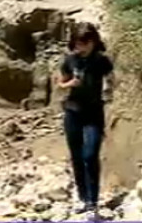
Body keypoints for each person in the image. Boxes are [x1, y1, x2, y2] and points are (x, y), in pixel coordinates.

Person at [57, 22, 115, 219]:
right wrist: (70, 84)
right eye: (77, 43)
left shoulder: (102, 61)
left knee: (90, 155)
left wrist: (108, 90)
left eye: (84, 43)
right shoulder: (70, 60)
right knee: (76, 156)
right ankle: (83, 198)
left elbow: (111, 79)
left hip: (94, 113)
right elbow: (60, 83)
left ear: (93, 42)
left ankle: (93, 201)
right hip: (73, 112)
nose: (80, 47)